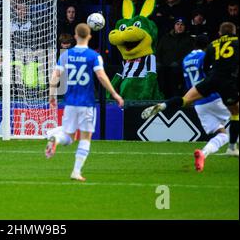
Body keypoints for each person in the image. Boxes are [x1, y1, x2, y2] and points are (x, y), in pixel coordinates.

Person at [142, 22, 239, 162]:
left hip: (199, 99)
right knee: (236, 114)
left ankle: (203, 153)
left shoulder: (187, 58)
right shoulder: (213, 51)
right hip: (216, 94)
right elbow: (208, 69)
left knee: (186, 102)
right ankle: (232, 147)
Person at [46, 23, 124, 181]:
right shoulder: (93, 56)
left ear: (75, 36)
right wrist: (115, 94)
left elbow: (55, 76)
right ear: (89, 36)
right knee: (85, 137)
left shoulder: (65, 55)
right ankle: (76, 171)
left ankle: (56, 139)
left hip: (70, 102)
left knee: (68, 137)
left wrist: (52, 95)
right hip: (86, 103)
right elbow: (101, 77)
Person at [182, 35, 232, 171]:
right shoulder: (205, 56)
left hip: (199, 104)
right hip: (213, 97)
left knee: (222, 134)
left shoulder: (185, 59)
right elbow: (213, 77)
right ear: (207, 45)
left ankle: (203, 154)